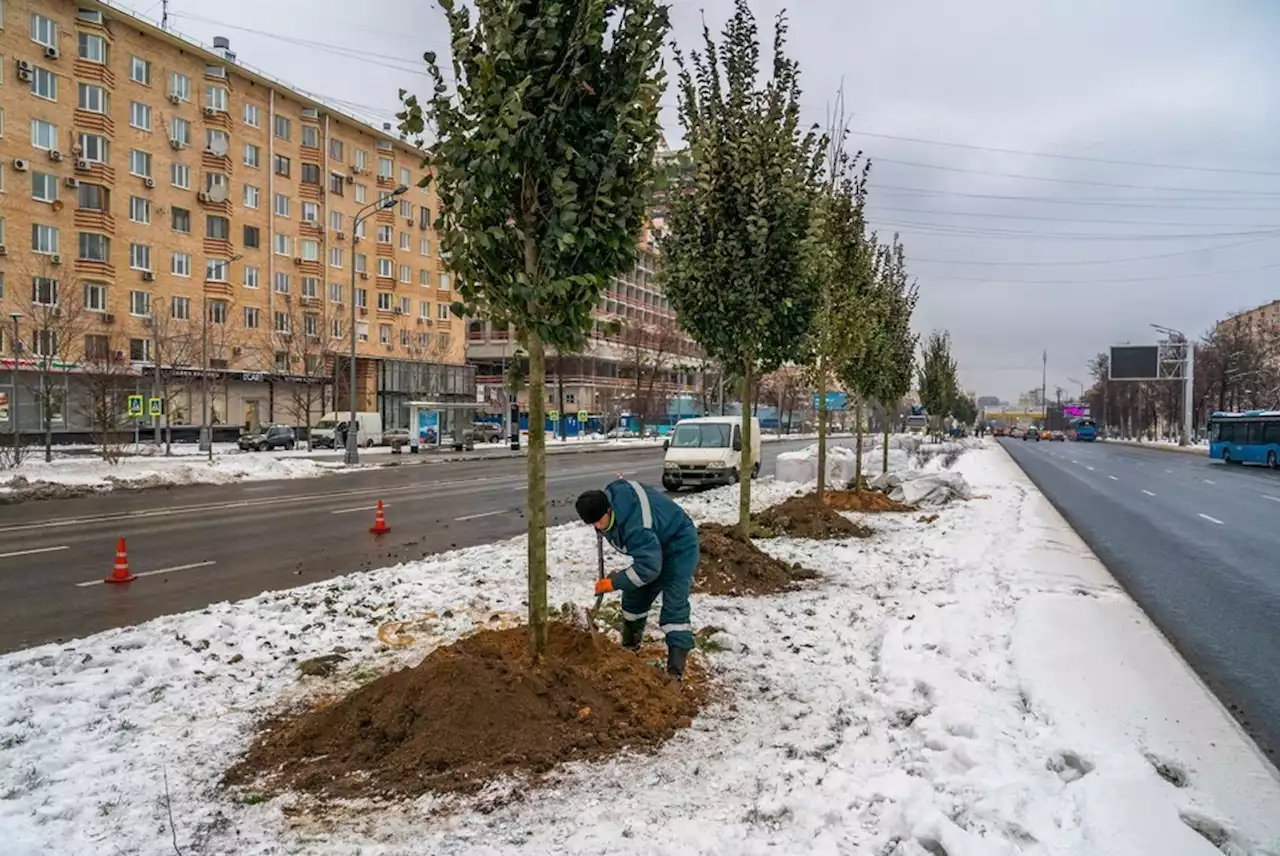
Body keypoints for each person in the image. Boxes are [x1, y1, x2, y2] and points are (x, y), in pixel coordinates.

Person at [576, 479, 699, 679]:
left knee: (674, 607)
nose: (598, 527)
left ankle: (675, 673)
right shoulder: (610, 503)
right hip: (653, 547)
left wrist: (614, 582)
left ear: (608, 510)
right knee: (634, 598)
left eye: (599, 521)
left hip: (679, 546)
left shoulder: (636, 526)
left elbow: (649, 568)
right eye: (593, 524)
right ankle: (629, 650)